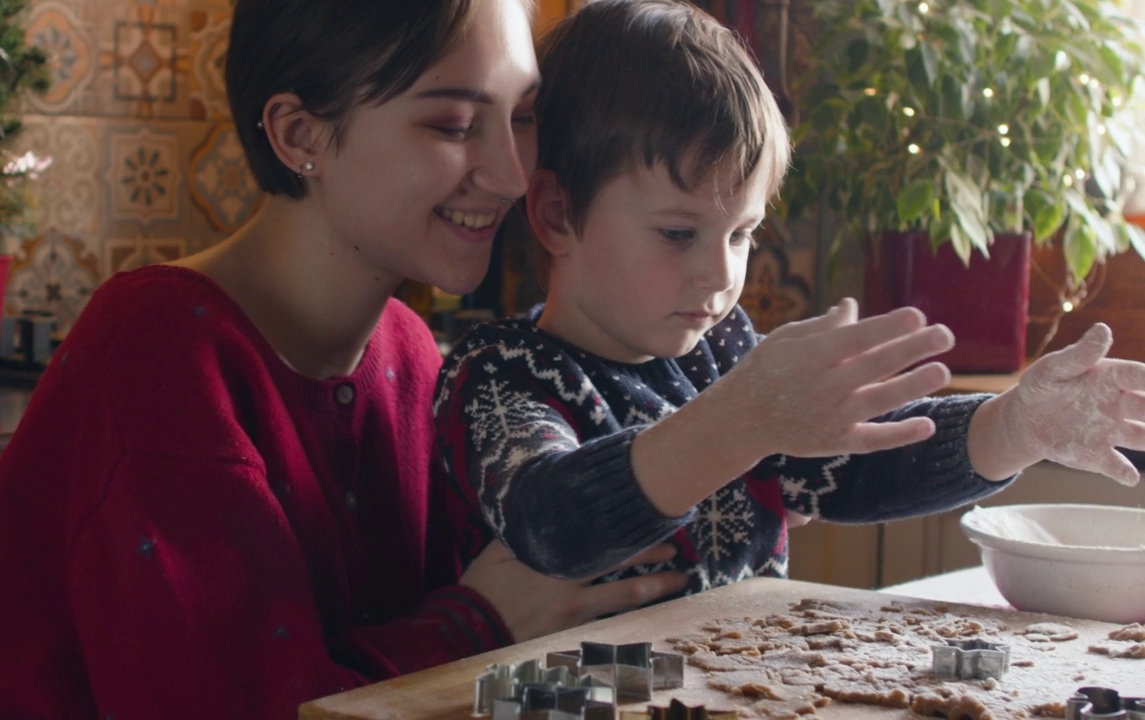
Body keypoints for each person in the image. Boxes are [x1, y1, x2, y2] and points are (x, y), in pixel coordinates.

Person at [0, 0, 693, 717]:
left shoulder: (412, 355)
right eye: (455, 125)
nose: (513, 174)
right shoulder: (155, 354)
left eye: (521, 117)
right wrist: (477, 618)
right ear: (298, 134)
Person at [434, 0, 1145, 599]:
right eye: (678, 233)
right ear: (556, 214)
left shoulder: (720, 349)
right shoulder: (500, 372)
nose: (720, 275)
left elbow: (858, 466)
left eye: (741, 233)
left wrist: (1016, 425)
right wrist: (744, 420)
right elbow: (553, 523)